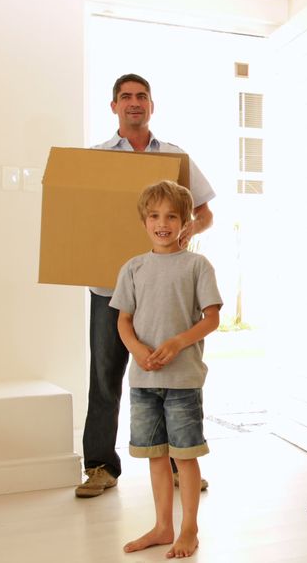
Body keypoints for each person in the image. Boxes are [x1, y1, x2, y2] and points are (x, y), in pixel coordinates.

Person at [77, 73, 216, 498]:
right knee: (105, 376)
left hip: (165, 290)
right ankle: (100, 466)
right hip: (108, 288)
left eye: (141, 97)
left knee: (172, 374)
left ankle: (180, 463)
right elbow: (78, 218)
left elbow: (205, 213)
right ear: (114, 106)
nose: (134, 103)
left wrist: (188, 228)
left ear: (151, 106)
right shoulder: (98, 157)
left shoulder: (174, 158)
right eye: (125, 97)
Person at [112, 180, 222, 558]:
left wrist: (177, 343)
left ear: (186, 222)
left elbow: (211, 319)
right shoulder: (133, 268)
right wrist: (137, 350)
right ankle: (163, 526)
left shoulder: (197, 266)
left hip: (183, 380)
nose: (163, 223)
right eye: (155, 216)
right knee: (156, 455)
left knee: (185, 456)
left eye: (172, 216)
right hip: (143, 379)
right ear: (144, 221)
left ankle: (189, 528)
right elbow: (123, 320)